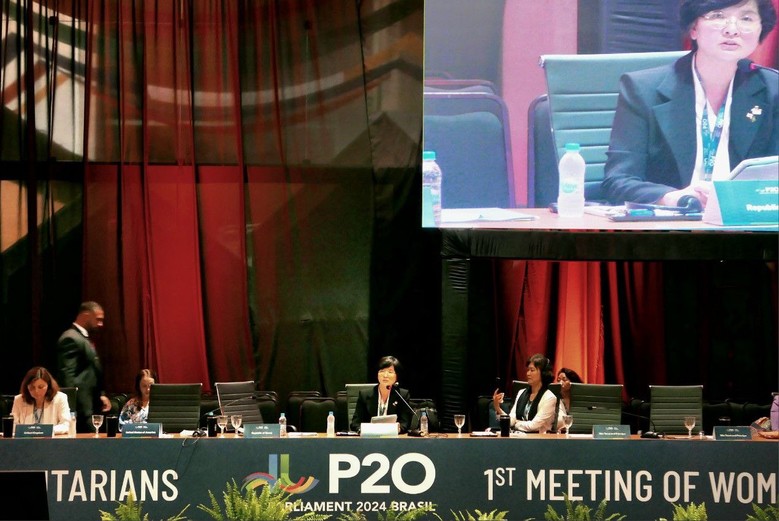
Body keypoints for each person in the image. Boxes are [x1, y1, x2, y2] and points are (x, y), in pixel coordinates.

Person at [602, 0, 778, 208]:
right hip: (673, 221)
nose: (732, 29)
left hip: (745, 218)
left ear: (760, 30)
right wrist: (676, 198)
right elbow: (618, 181)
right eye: (718, 16)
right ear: (694, 28)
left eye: (746, 18)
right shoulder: (643, 90)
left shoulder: (773, 91)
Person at [56, 301, 111, 432]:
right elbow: (67, 377)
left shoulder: (81, 338)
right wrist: (72, 409)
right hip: (80, 410)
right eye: (98, 319)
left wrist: (100, 394)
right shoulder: (70, 338)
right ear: (86, 315)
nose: (100, 324)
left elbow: (88, 372)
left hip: (89, 406)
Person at [492, 354, 561, 433]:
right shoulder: (521, 392)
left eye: (532, 370)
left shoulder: (549, 397)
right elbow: (511, 421)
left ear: (543, 373)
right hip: (519, 436)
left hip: (538, 438)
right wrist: (497, 408)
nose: (528, 373)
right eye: (528, 370)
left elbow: (533, 426)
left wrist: (516, 423)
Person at [350, 356, 413, 434]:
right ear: (377, 374)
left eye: (390, 372)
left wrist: (397, 429)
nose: (385, 375)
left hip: (393, 437)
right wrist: (363, 431)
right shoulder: (365, 395)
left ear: (396, 376)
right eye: (382, 371)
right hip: (369, 437)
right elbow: (355, 423)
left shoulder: (402, 395)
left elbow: (405, 423)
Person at [11, 367, 71, 435]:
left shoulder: (60, 398)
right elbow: (13, 426)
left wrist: (45, 430)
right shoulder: (19, 400)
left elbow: (65, 425)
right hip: (26, 441)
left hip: (51, 440)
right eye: (32, 387)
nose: (36, 391)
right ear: (26, 386)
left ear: (48, 385)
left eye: (40, 387)